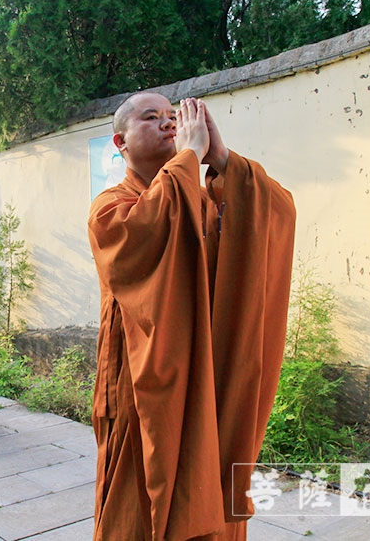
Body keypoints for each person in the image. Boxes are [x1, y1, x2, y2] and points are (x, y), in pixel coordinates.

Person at [87, 94, 296, 540]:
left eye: (172, 117)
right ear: (120, 142)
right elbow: (141, 235)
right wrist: (188, 157)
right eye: (152, 117)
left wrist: (219, 158)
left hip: (208, 373)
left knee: (208, 482)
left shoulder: (201, 199)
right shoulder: (110, 206)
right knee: (139, 504)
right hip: (142, 385)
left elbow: (275, 212)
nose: (168, 124)